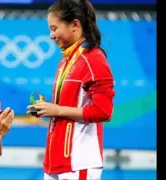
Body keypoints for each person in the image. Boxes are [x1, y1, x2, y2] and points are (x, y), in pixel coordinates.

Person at [27, 0, 115, 179]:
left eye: (54, 28)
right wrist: (48, 109)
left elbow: (104, 111)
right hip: (55, 161)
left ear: (75, 25)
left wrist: (57, 110)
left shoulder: (94, 59)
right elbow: (68, 107)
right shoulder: (64, 62)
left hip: (79, 161)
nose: (51, 35)